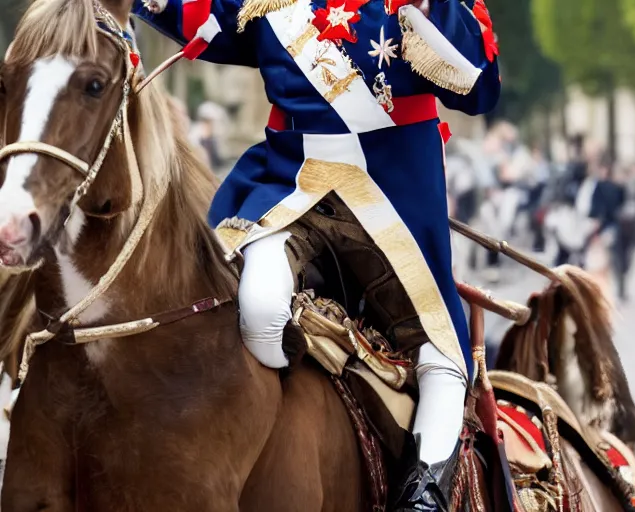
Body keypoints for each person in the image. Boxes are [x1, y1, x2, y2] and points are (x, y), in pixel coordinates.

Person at [133, 0, 500, 508]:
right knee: (257, 306)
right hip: (292, 193)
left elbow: (478, 85)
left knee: (441, 356)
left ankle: (424, 493)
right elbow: (192, 13)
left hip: (395, 200)